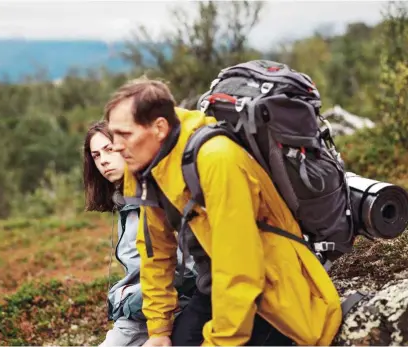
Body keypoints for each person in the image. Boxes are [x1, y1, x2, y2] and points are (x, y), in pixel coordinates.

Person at [105, 77, 343, 346]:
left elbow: (241, 268)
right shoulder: (146, 165)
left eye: (124, 134)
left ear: (159, 127)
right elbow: (155, 251)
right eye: (113, 133)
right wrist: (159, 328)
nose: (115, 145)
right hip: (215, 287)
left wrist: (219, 342)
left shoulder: (216, 160)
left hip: (270, 292)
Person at [83, 121, 196, 347]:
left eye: (109, 149)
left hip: (171, 312)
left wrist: (128, 301)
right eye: (96, 156)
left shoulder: (158, 198)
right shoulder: (126, 203)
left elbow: (187, 272)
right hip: (143, 316)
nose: (103, 160)